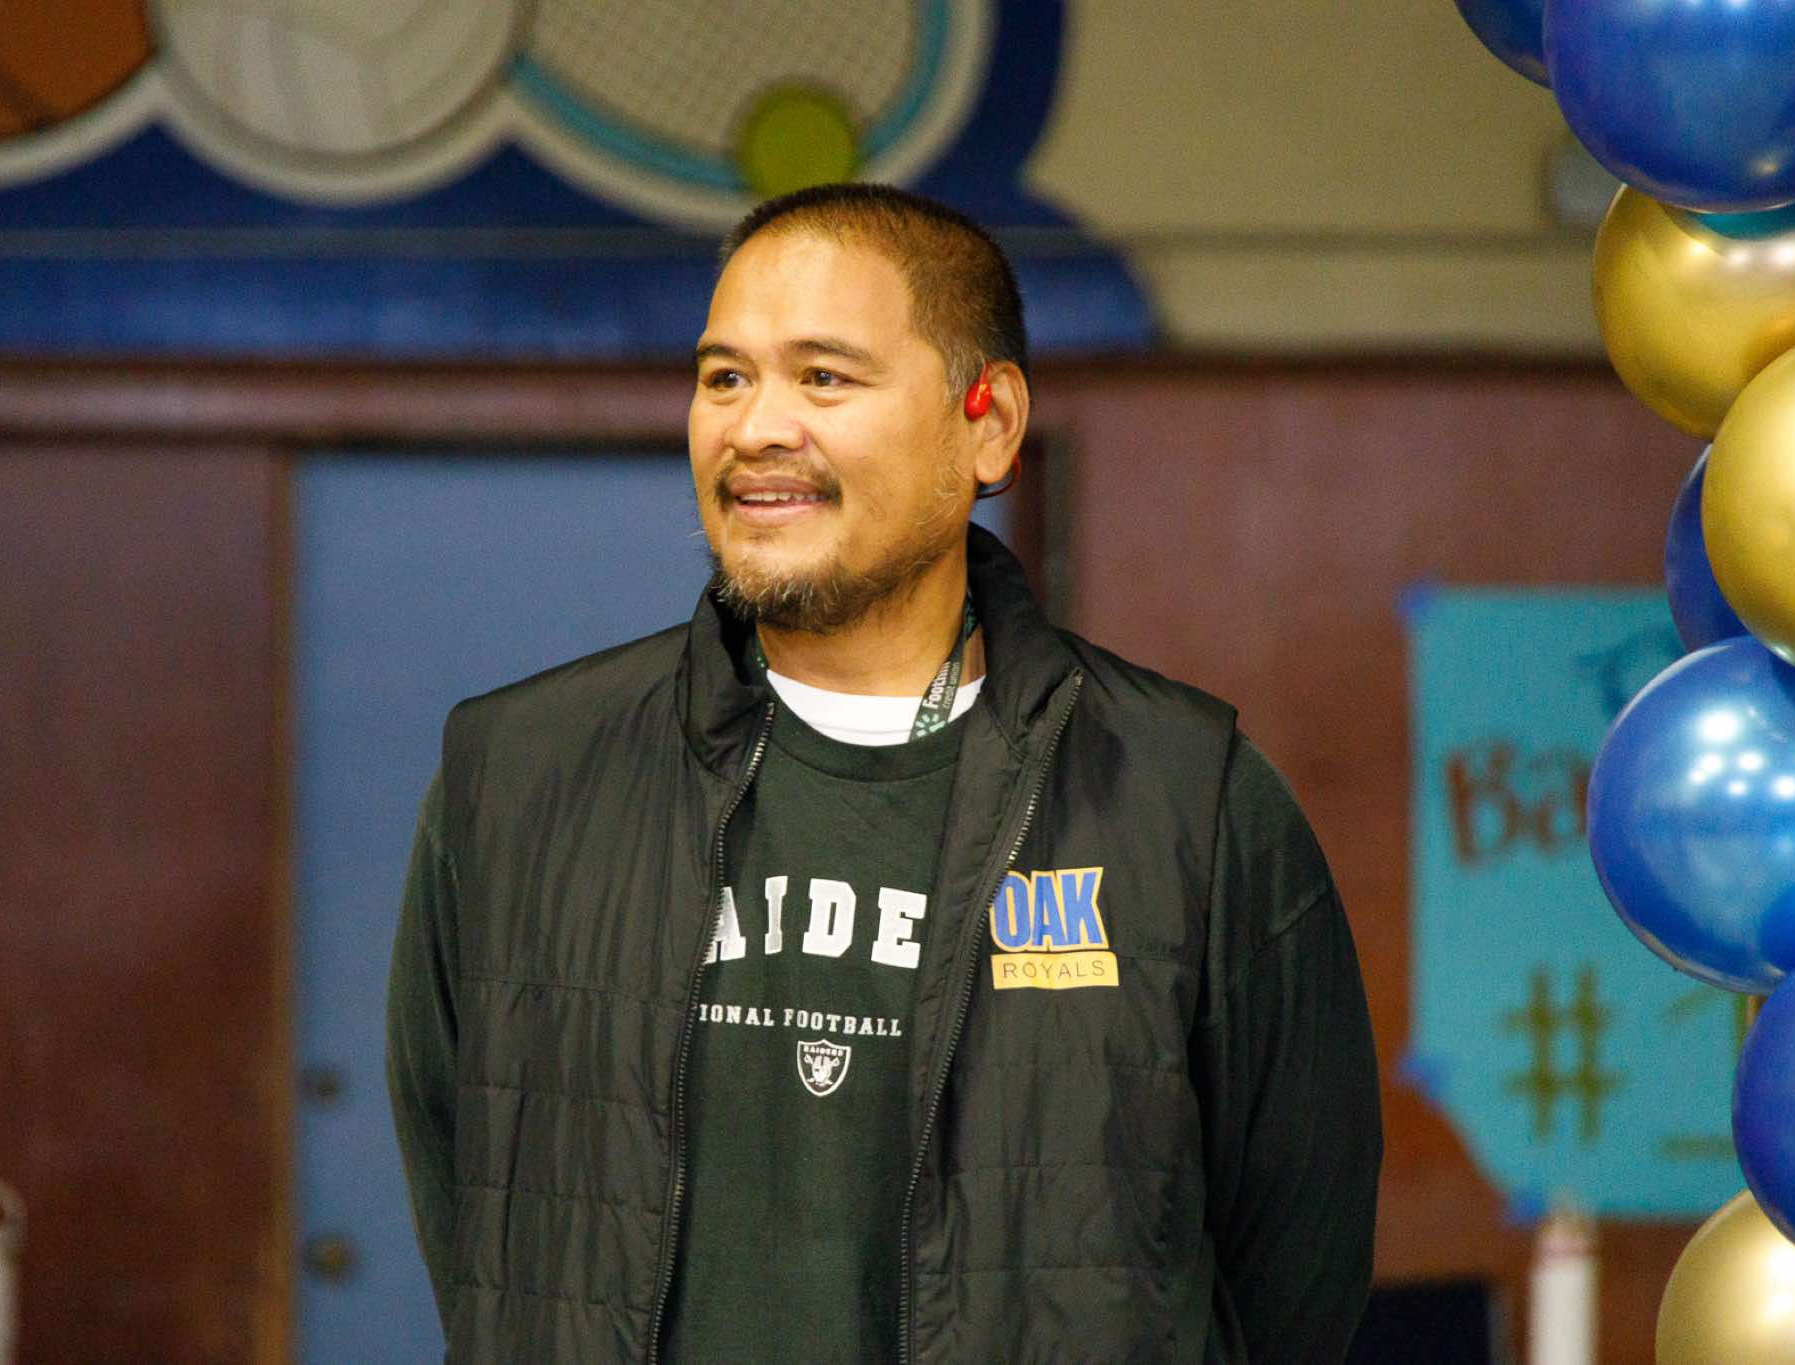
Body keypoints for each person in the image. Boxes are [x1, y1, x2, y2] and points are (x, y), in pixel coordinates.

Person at [387, 182, 1383, 1363]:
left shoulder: (1185, 801)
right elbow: (485, 1238)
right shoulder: (520, 780)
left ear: (986, 423)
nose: (756, 427)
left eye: (823, 377)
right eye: (723, 378)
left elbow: (1290, 1278)